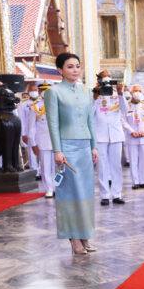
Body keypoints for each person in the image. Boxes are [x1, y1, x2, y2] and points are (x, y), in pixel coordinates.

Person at [44, 53, 98, 255]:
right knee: (69, 193)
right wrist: (58, 150)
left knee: (85, 192)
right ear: (60, 70)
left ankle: (85, 234)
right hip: (66, 148)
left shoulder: (86, 92)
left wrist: (94, 146)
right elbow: (53, 123)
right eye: (70, 67)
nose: (75, 70)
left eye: (77, 66)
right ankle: (73, 238)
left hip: (85, 147)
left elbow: (90, 121)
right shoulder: (53, 92)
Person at [93, 74, 128, 206]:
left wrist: (120, 94)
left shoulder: (116, 94)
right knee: (102, 166)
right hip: (100, 135)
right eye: (104, 78)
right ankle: (105, 195)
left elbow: (125, 110)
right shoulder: (95, 95)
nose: (107, 80)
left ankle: (117, 194)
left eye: (109, 77)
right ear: (99, 81)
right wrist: (95, 98)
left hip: (115, 135)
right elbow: (89, 114)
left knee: (116, 166)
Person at [28, 81, 55, 198]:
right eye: (42, 90)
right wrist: (33, 143)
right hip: (43, 141)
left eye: (47, 90)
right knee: (45, 167)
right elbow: (31, 128)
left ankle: (57, 187)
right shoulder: (34, 107)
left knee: (58, 168)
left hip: (56, 142)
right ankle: (49, 188)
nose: (45, 92)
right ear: (39, 91)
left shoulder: (57, 104)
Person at [123, 84, 144, 189]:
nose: (138, 92)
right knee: (133, 160)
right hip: (132, 137)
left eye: (140, 91)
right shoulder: (126, 105)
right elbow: (123, 120)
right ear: (131, 93)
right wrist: (131, 131)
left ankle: (143, 180)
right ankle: (135, 181)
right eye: (135, 90)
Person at [20, 82, 40, 172]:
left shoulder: (41, 102)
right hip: (29, 131)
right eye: (32, 90)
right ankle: (34, 170)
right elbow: (22, 120)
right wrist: (23, 134)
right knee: (31, 152)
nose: (34, 92)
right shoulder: (24, 104)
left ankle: (41, 171)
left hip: (41, 131)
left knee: (42, 152)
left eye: (35, 90)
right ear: (28, 91)